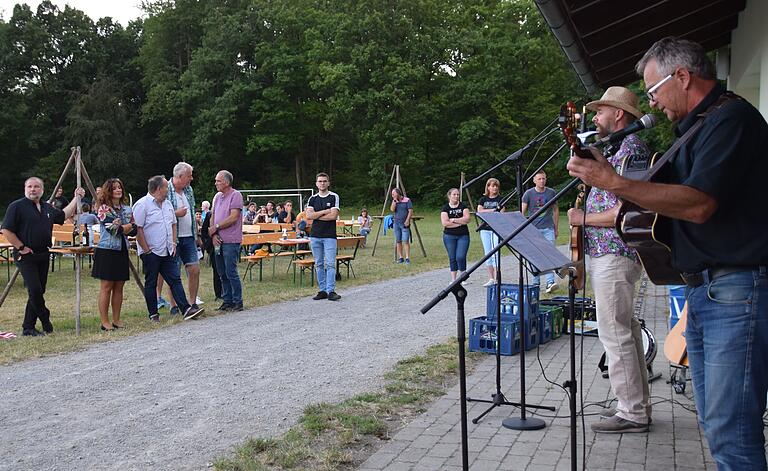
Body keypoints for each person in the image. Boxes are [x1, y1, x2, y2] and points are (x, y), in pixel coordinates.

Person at [567, 37, 768, 469]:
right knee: (718, 424)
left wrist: (613, 183)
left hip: (734, 287)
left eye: (654, 91)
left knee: (731, 430)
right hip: (706, 289)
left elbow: (697, 204)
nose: (652, 103)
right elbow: (662, 200)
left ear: (682, 76)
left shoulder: (731, 120)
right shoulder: (696, 129)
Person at [567, 86, 652, 433]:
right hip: (608, 254)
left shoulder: (632, 151)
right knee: (625, 331)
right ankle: (637, 405)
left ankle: (631, 412)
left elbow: (624, 212)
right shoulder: (615, 149)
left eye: (600, 112)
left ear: (619, 114)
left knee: (614, 333)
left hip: (616, 253)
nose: (596, 118)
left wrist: (581, 219)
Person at [2, 178, 84, 336]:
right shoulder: (17, 206)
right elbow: (6, 230)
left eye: (36, 187)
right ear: (25, 188)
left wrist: (76, 198)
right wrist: (21, 247)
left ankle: (28, 327)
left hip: (43, 254)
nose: (33, 189)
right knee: (35, 289)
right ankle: (45, 319)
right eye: (30, 186)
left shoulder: (47, 207)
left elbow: (62, 216)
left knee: (39, 290)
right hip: (26, 256)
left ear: (42, 189)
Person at [133, 175, 204, 322]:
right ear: (158, 189)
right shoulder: (142, 205)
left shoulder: (167, 204)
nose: (168, 189)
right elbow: (138, 229)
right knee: (151, 282)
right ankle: (153, 314)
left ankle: (185, 309)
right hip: (151, 251)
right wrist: (147, 251)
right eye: (166, 186)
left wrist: (173, 244)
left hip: (167, 250)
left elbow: (173, 223)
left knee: (175, 280)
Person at [92, 178, 136, 331]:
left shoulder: (127, 209)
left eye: (120, 187)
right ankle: (104, 321)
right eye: (115, 188)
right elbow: (114, 231)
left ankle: (116, 319)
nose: (118, 190)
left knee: (119, 286)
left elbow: (134, 229)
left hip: (121, 250)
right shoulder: (103, 209)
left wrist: (126, 226)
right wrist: (128, 226)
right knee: (106, 286)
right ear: (108, 191)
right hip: (107, 251)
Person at [162, 162, 203, 315]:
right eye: (189, 176)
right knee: (174, 272)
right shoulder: (166, 188)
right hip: (174, 238)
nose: (191, 179)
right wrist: (175, 213)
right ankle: (174, 305)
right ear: (179, 176)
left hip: (189, 236)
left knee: (194, 269)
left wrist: (197, 234)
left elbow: (192, 211)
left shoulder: (189, 190)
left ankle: (192, 302)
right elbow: (161, 211)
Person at [209, 170, 244, 311]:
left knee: (231, 271)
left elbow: (233, 217)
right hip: (218, 239)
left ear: (227, 182)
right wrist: (213, 233)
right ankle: (227, 299)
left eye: (218, 180)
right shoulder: (217, 197)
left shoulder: (236, 195)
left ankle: (237, 300)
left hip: (231, 240)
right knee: (221, 272)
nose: (216, 183)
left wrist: (217, 226)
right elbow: (213, 215)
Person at [521, 170, 559, 292]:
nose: (542, 181)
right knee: (535, 256)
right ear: (534, 180)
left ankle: (550, 282)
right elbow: (522, 213)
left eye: (543, 178)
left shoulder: (551, 192)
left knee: (549, 254)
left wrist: (556, 227)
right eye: (539, 179)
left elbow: (555, 210)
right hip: (533, 229)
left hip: (548, 228)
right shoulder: (528, 194)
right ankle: (535, 282)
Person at [306, 172, 341, 301]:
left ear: (328, 183)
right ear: (316, 183)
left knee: (330, 264)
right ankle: (322, 290)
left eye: (324, 181)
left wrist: (317, 215)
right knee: (319, 264)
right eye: (320, 181)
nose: (322, 183)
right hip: (315, 236)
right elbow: (309, 216)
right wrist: (325, 211)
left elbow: (333, 216)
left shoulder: (334, 197)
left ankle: (331, 290)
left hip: (329, 236)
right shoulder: (312, 199)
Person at [476, 178, 505, 287]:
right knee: (488, 253)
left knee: (496, 253)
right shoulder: (483, 199)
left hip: (496, 229)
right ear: (488, 187)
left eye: (496, 186)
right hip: (485, 229)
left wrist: (492, 212)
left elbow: (501, 213)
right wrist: (492, 211)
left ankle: (497, 278)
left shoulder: (501, 199)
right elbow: (480, 211)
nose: (494, 188)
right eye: (492, 186)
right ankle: (491, 277)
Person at [440, 188, 470, 282]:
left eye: (457, 194)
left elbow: (467, 219)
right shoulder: (445, 208)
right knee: (452, 257)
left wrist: (453, 220)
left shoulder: (463, 206)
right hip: (449, 236)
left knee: (460, 256)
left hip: (463, 235)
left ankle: (463, 277)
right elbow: (445, 223)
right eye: (454, 194)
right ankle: (453, 279)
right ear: (449, 196)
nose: (456, 196)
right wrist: (460, 223)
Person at [200, 199, 222, 301]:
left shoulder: (228, 214)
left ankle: (227, 292)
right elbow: (204, 232)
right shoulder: (209, 215)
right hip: (214, 247)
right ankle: (218, 294)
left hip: (226, 245)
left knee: (226, 270)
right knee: (217, 270)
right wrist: (208, 246)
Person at [390, 188, 413, 265]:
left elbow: (410, 211)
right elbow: (392, 210)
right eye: (392, 194)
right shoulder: (394, 201)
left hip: (405, 223)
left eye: (393, 193)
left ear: (398, 193)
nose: (392, 195)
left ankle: (407, 258)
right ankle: (401, 257)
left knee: (405, 240)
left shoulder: (407, 200)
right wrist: (395, 201)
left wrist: (407, 220)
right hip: (396, 223)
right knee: (398, 240)